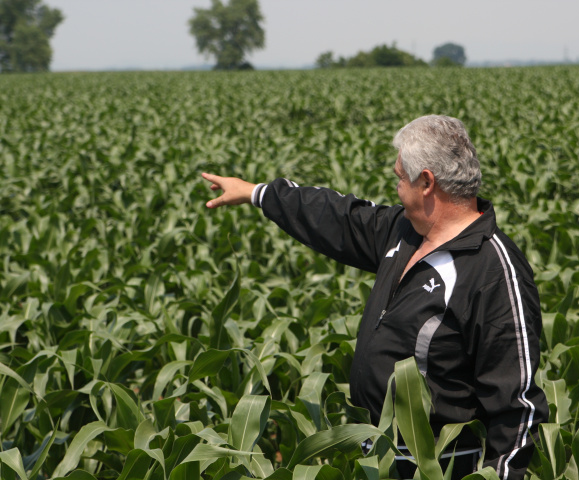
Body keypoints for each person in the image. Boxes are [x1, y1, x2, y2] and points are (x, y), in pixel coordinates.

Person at [202, 115, 548, 480]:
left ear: (427, 182)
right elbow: (339, 217)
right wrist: (258, 193)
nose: (397, 187)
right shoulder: (405, 232)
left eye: (401, 178)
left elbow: (518, 407)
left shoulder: (492, 270)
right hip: (378, 456)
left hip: (439, 466)